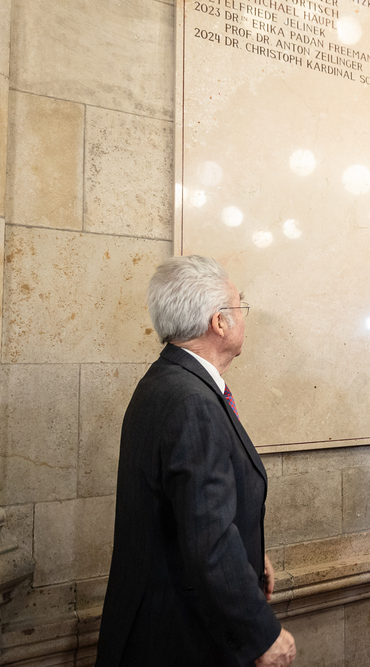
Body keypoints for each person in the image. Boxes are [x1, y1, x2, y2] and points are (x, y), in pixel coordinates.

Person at [96, 255, 296, 667]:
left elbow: (191, 510)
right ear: (219, 322)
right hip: (179, 638)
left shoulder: (165, 381)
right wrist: (261, 635)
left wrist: (251, 554)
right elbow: (209, 541)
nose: (244, 318)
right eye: (239, 307)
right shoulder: (192, 402)